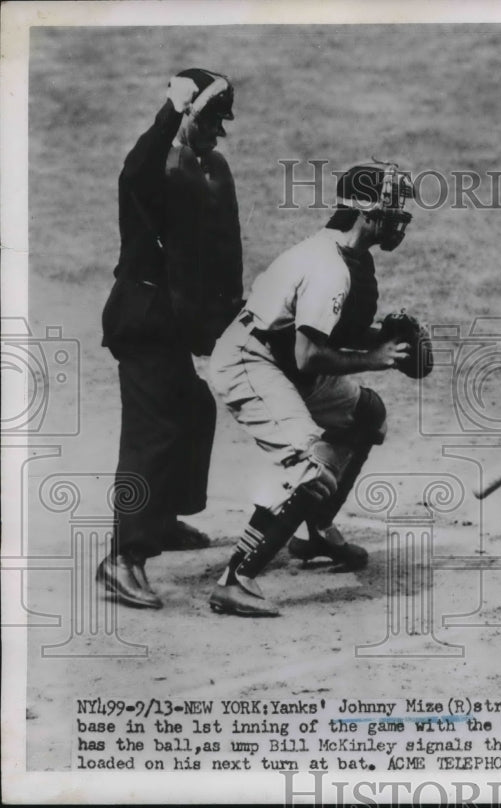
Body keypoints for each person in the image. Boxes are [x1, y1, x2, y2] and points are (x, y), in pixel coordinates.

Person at [207, 161, 431, 617]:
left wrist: (377, 340)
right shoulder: (328, 267)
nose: (398, 217)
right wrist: (374, 358)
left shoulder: (353, 258)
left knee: (366, 416)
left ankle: (315, 534)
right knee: (310, 468)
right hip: (251, 360)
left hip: (284, 358)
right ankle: (235, 579)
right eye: (391, 208)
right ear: (364, 212)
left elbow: (327, 336)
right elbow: (309, 355)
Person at [98, 68, 244, 610]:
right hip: (144, 316)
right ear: (185, 114)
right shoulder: (155, 168)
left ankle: (157, 522)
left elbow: (220, 255)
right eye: (207, 118)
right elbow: (132, 173)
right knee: (152, 433)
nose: (216, 130)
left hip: (176, 319)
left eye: (219, 121)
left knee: (194, 409)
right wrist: (169, 112)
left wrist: (228, 320)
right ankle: (122, 559)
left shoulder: (207, 169)